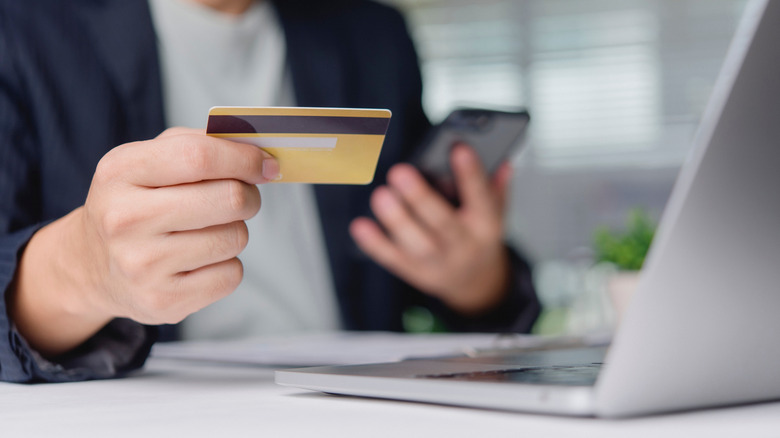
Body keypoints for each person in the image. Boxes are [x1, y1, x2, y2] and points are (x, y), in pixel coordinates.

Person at [0, 0, 540, 383]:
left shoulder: (373, 36)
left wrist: (476, 280)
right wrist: (84, 270)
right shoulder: (21, 31)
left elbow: (449, 283)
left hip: (359, 399)